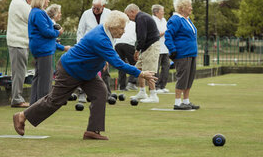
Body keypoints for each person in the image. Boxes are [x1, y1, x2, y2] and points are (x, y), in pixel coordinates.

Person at [13, 11, 157, 140]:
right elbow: (118, 63)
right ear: (113, 26)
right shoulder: (101, 38)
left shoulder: (106, 33)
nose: (123, 31)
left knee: (100, 92)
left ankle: (92, 131)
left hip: (87, 72)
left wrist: (102, 61)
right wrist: (141, 73)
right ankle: (21, 116)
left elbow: (98, 54)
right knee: (54, 101)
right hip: (71, 70)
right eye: (121, 28)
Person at [28, 0, 63, 105]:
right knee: (45, 78)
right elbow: (45, 31)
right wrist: (58, 33)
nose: (48, 1)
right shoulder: (38, 12)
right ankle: (43, 104)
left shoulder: (35, 12)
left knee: (38, 77)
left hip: (40, 47)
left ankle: (34, 103)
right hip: (44, 49)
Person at [165, 0, 200, 110]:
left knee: (190, 78)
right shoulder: (175, 19)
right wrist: (172, 49)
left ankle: (186, 100)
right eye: (189, 6)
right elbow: (168, 35)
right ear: (182, 8)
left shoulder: (187, 19)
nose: (191, 8)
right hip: (182, 53)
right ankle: (177, 102)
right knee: (182, 77)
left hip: (191, 53)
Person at [76, 0, 112, 102]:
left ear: (103, 7)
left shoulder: (109, 13)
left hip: (103, 46)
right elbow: (80, 31)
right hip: (87, 46)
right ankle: (82, 94)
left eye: (98, 8)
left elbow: (110, 32)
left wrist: (110, 50)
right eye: (94, 8)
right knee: (85, 70)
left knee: (105, 71)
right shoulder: (86, 14)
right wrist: (79, 47)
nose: (95, 10)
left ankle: (107, 94)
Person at [124, 4, 160, 103]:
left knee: (149, 71)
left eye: (128, 15)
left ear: (132, 12)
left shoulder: (141, 18)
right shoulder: (142, 17)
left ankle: (153, 95)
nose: (128, 18)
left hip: (151, 46)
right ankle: (142, 91)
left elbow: (142, 36)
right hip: (146, 47)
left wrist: (137, 50)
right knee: (138, 69)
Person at [7, 0, 35, 108]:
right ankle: (17, 99)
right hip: (18, 42)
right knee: (19, 72)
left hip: (20, 42)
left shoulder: (21, 3)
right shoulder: (20, 3)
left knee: (20, 71)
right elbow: (33, 17)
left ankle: (17, 98)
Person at [114, 20, 138, 91]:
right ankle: (131, 82)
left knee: (121, 65)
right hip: (129, 44)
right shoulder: (135, 23)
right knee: (136, 64)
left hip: (118, 44)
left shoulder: (119, 23)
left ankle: (122, 87)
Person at [152, 4, 170, 93]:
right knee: (156, 68)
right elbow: (156, 34)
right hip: (156, 48)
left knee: (166, 67)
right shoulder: (152, 20)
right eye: (162, 11)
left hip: (165, 48)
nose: (163, 12)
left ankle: (162, 86)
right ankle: (155, 87)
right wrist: (165, 32)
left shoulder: (164, 20)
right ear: (156, 12)